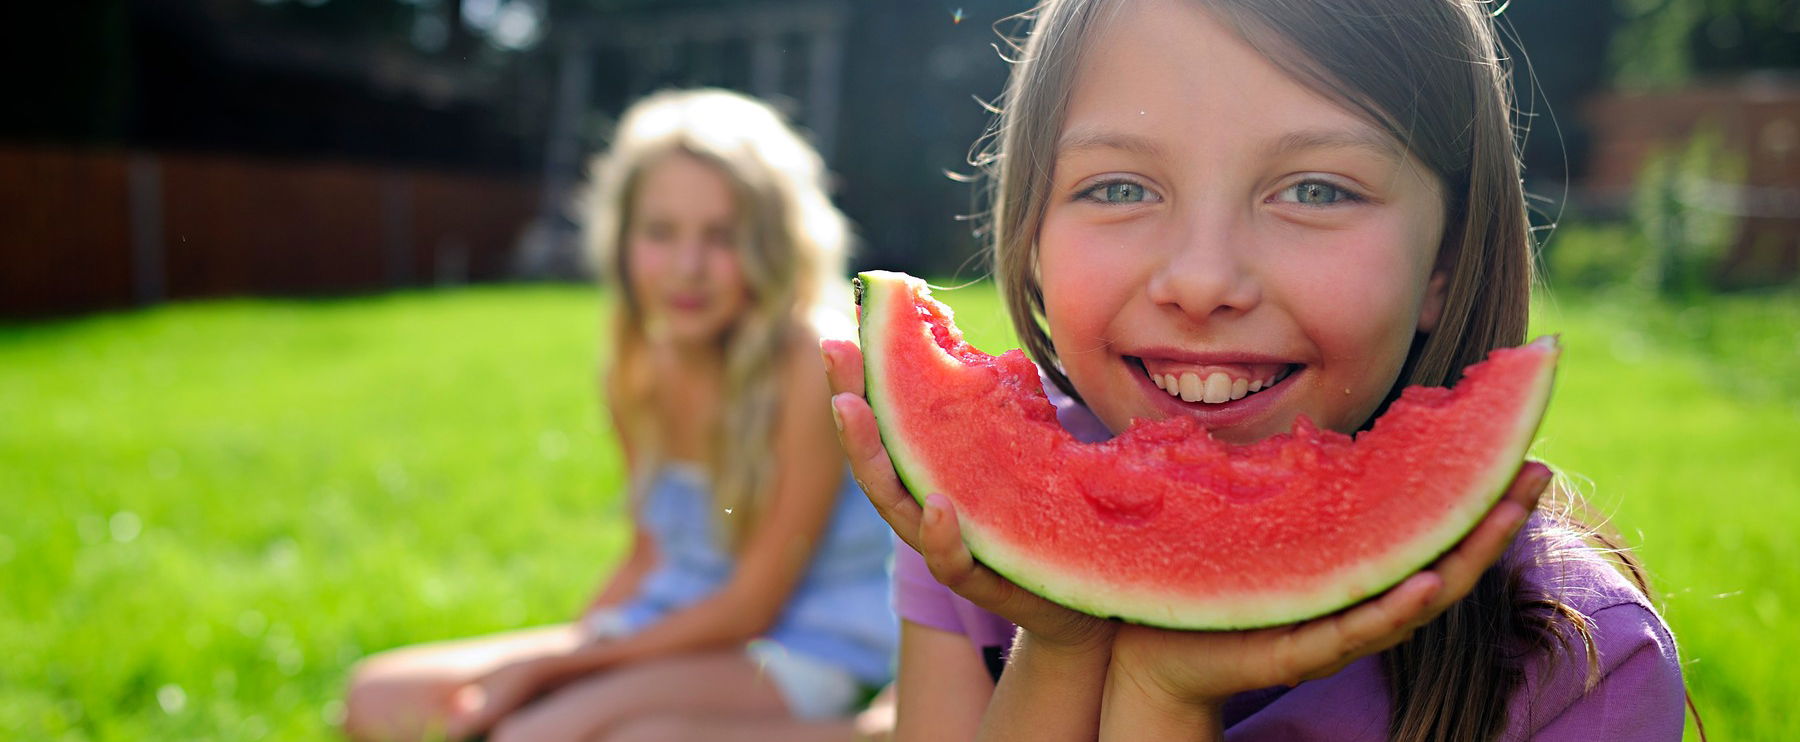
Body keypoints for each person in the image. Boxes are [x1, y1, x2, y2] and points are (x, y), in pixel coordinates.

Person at [819, 0, 1687, 739]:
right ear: (1034, 240)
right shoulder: (971, 538)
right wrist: (1062, 648)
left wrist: (1164, 696)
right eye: (1120, 188)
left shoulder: (1583, 665)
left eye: (1315, 190)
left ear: (1446, 262)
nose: (1201, 282)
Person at [343, 89, 896, 742]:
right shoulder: (636, 365)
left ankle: (872, 730)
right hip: (678, 619)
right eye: (661, 233)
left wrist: (565, 671)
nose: (688, 268)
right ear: (624, 238)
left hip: (800, 642)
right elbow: (646, 554)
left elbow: (755, 603)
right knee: (376, 697)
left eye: (721, 236)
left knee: (539, 734)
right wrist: (568, 655)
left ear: (773, 243)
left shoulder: (810, 361)